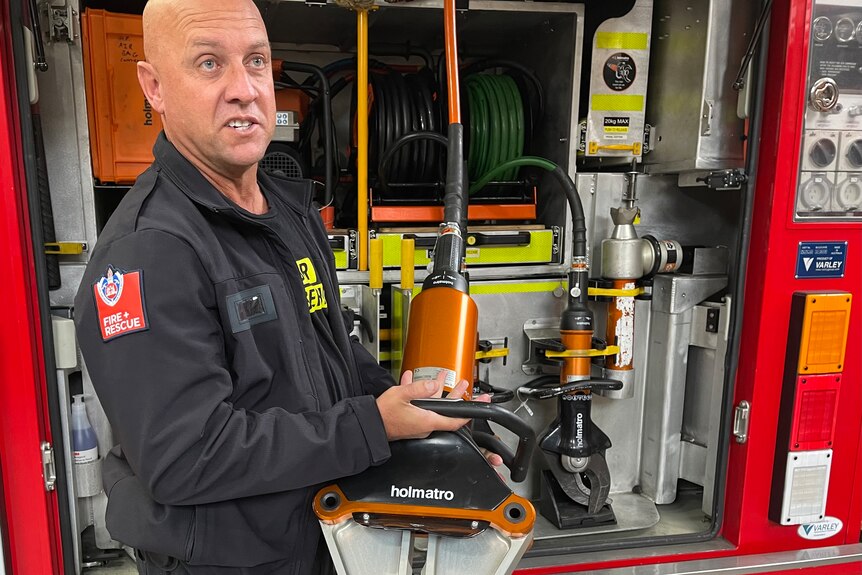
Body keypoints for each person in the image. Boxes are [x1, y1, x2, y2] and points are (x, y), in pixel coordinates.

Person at [74, 0, 496, 573]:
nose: (243, 89)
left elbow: (331, 351)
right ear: (154, 87)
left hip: (323, 539)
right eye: (208, 64)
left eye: (255, 61)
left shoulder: (288, 211)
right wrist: (375, 425)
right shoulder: (148, 253)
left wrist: (425, 417)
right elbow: (186, 456)